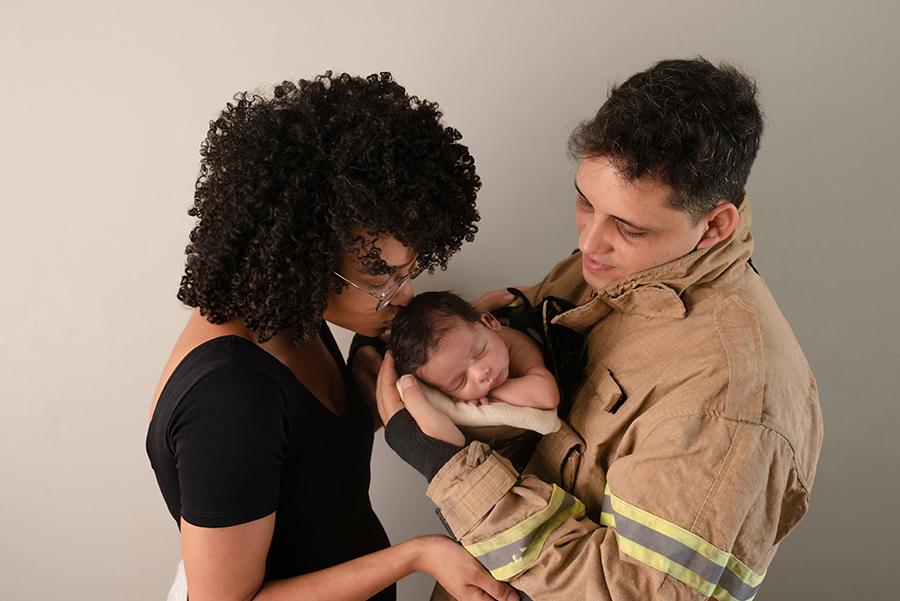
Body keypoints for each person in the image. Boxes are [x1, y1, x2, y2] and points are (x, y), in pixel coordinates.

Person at [372, 58, 823, 600]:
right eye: (585, 202)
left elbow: (632, 594)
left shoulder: (734, 403)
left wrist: (453, 470)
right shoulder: (619, 269)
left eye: (627, 227)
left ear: (715, 226)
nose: (588, 244)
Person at [145, 71, 518, 601]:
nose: (404, 296)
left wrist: (453, 342)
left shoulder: (290, 311)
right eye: (381, 281)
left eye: (408, 272)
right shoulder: (228, 397)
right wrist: (419, 555)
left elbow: (309, 459)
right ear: (305, 258)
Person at [388, 290, 560, 448]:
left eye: (479, 353)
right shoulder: (452, 364)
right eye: (461, 380)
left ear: (489, 322)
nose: (480, 374)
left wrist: (490, 393)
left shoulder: (516, 347)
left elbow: (548, 395)